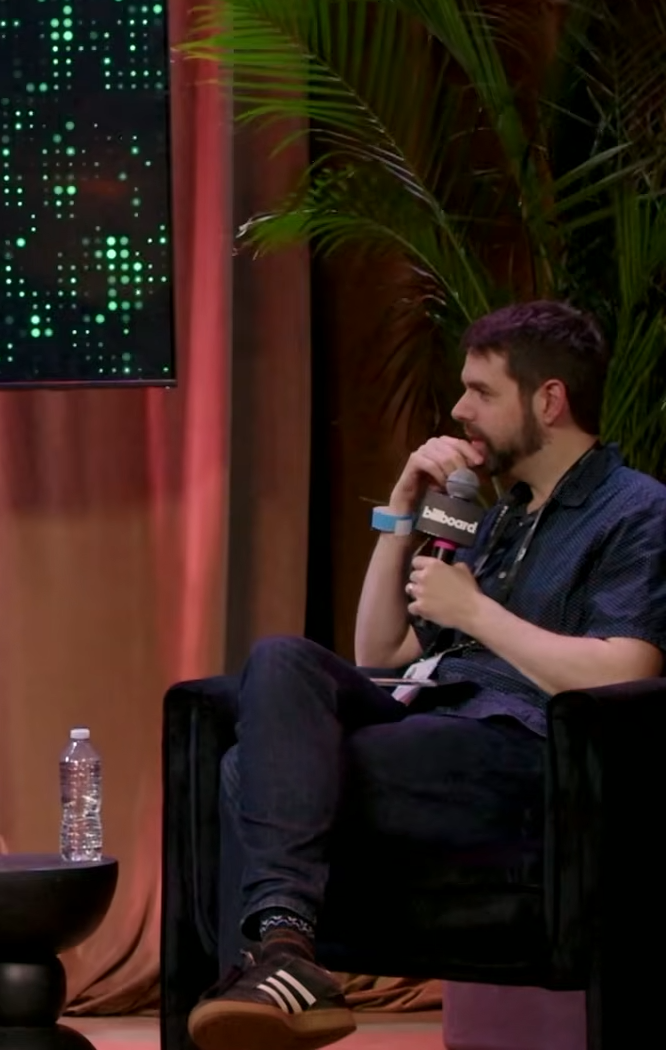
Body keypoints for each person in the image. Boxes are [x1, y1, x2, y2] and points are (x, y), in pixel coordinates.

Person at [188, 301, 666, 1050]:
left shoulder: (636, 509)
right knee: (280, 657)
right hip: (434, 719)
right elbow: (380, 648)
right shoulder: (493, 514)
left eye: (481, 391)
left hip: (521, 748)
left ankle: (271, 966)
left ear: (549, 400)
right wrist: (402, 509)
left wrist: (475, 613)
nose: (459, 410)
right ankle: (283, 951)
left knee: (249, 769)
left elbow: (627, 670)